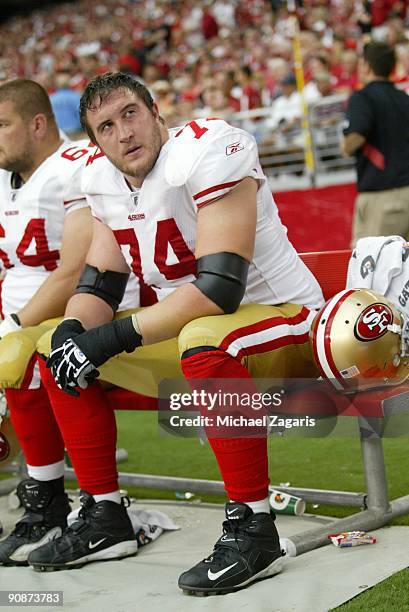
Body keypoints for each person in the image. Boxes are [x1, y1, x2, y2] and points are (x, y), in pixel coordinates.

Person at [34, 72, 323, 594]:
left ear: (155, 112)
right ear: (95, 142)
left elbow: (219, 290)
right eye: (106, 126)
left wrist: (110, 339)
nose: (123, 133)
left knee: (206, 337)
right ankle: (104, 516)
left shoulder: (210, 150)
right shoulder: (102, 181)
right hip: (198, 334)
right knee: (55, 346)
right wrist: (76, 329)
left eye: (129, 113)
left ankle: (255, 528)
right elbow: (99, 285)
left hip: (285, 318)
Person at [0, 78, 96, 565]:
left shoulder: (75, 167)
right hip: (16, 322)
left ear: (38, 124)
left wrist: (11, 325)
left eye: (2, 124)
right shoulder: (5, 180)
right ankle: (44, 497)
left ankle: (54, 499)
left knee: (18, 354)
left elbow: (75, 270)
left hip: (67, 323)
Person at [342, 41, 409, 246]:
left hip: (382, 197)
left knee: (372, 268)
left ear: (367, 66)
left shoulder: (363, 97)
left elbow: (357, 135)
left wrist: (345, 147)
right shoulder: (404, 98)